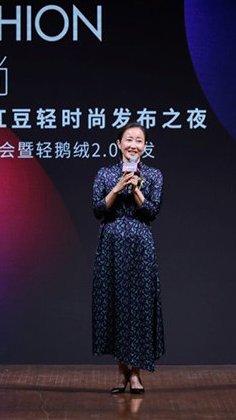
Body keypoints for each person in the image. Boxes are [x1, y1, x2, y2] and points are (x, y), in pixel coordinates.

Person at [92, 122, 164, 394]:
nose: (134, 145)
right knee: (116, 306)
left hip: (140, 248)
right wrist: (117, 187)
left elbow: (152, 212)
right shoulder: (105, 173)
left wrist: (135, 189)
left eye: (139, 140)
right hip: (111, 248)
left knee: (140, 308)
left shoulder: (153, 175)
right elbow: (98, 210)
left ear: (144, 146)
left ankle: (136, 375)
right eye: (129, 139)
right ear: (119, 144)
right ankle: (121, 373)